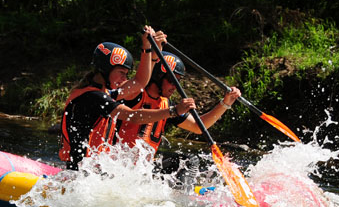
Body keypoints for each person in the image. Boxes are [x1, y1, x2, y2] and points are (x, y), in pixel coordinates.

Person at [59, 27, 194, 170]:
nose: (124, 78)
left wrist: (149, 49)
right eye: (121, 72)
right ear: (106, 69)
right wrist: (173, 111)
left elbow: (140, 82)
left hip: (97, 173)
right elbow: (133, 116)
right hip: (81, 173)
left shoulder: (107, 93)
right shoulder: (92, 97)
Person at [115, 51, 241, 162]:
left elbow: (198, 127)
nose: (174, 86)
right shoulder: (134, 95)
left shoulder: (167, 104)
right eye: (171, 80)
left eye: (178, 81)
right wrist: (150, 48)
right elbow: (139, 80)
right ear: (157, 76)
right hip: (121, 163)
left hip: (144, 168)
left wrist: (225, 103)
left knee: (189, 162)